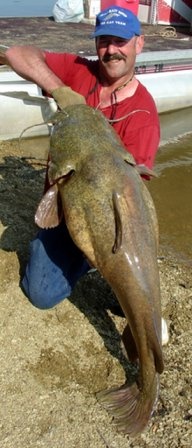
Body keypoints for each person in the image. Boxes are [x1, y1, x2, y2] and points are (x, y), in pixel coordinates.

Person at [3, 6, 160, 309]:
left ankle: (111, 272)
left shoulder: (144, 115)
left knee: (129, 287)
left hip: (103, 220)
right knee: (40, 292)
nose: (111, 50)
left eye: (120, 41)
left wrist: (101, 248)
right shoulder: (81, 70)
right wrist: (60, 90)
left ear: (138, 43)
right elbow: (16, 53)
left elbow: (131, 203)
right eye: (104, 41)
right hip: (62, 208)